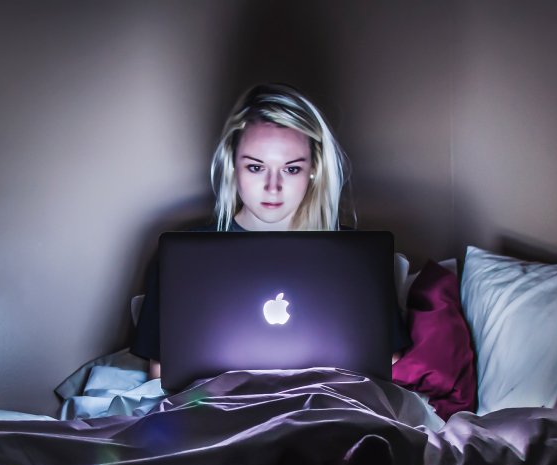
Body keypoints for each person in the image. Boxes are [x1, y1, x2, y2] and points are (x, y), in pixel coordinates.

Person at [131, 83, 412, 379]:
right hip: (221, 411)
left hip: (324, 406)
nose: (273, 187)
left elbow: (387, 361)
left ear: (314, 169)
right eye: (256, 167)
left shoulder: (356, 256)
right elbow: (162, 370)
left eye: (291, 169)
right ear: (232, 165)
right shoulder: (183, 257)